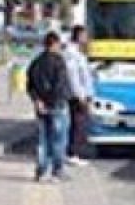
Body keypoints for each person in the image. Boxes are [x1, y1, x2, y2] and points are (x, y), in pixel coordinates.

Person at [26, 32, 72, 183]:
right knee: (58, 139)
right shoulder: (59, 62)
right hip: (57, 105)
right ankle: (57, 171)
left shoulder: (36, 62)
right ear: (55, 44)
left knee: (42, 140)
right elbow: (59, 85)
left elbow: (30, 85)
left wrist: (38, 100)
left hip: (40, 106)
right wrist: (51, 102)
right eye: (59, 45)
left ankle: (41, 171)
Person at [64, 25, 95, 167]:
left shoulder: (79, 53)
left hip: (83, 95)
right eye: (84, 36)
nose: (87, 39)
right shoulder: (71, 54)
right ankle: (73, 153)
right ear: (78, 36)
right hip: (78, 97)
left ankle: (76, 152)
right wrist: (80, 96)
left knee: (81, 125)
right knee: (78, 125)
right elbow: (73, 77)